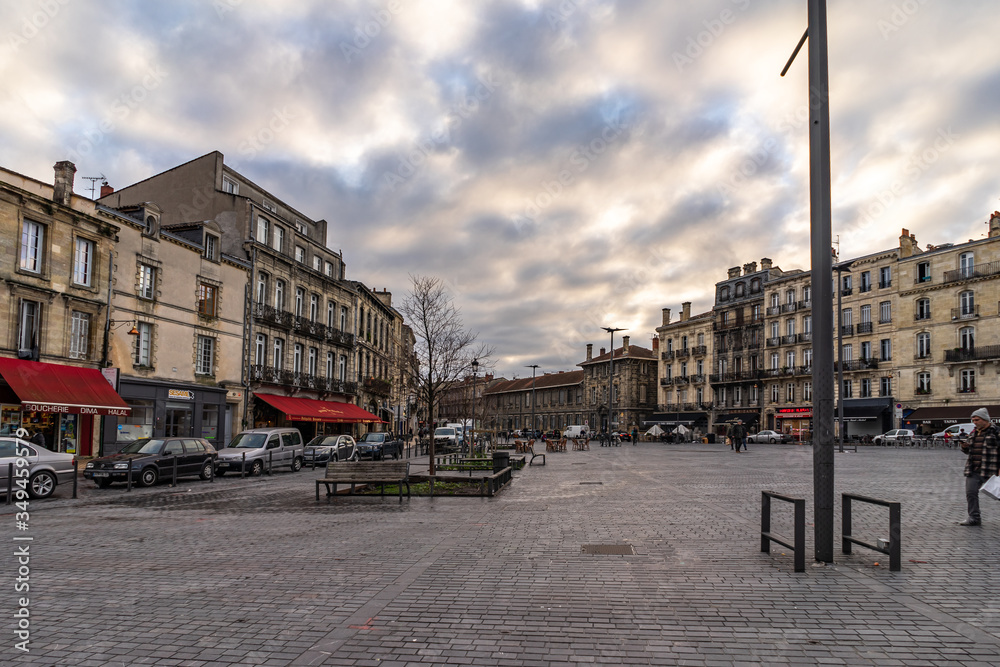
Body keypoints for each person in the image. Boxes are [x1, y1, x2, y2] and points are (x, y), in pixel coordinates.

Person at [958, 408, 1000, 526]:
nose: (975, 422)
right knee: (971, 493)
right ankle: (974, 517)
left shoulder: (996, 432)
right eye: (973, 420)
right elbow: (968, 451)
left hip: (991, 470)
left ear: (985, 419)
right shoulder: (974, 433)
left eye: (977, 420)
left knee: (998, 494)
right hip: (973, 469)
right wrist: (965, 446)